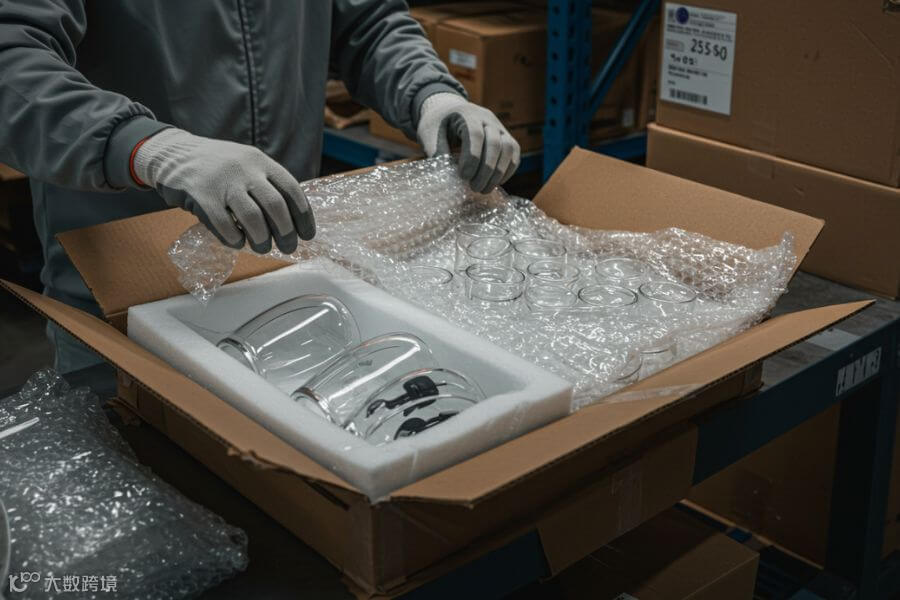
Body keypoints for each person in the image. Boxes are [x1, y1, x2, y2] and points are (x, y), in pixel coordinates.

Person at [0, 1, 520, 373]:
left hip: (286, 261)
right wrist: (144, 146)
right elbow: (10, 56)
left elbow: (367, 21)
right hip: (124, 287)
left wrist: (430, 94)